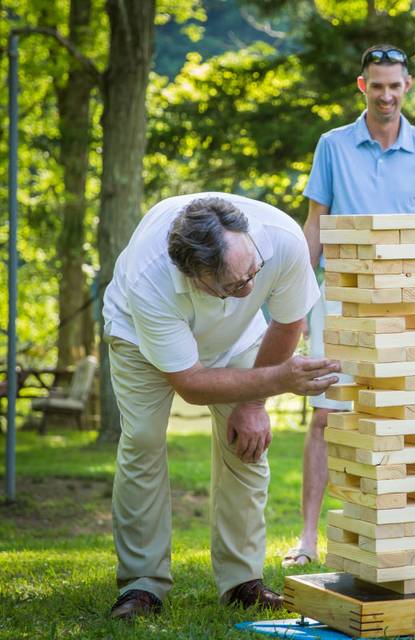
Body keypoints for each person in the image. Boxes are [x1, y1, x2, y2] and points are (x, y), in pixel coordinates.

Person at [101, 194, 340, 620]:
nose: (250, 288)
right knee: (142, 441)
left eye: (253, 273)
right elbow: (191, 383)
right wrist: (280, 379)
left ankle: (241, 581)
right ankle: (142, 583)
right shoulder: (149, 277)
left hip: (238, 337)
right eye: (234, 285)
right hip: (140, 338)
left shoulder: (281, 240)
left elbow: (288, 322)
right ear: (192, 275)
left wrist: (254, 402)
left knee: (247, 444)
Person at [283, 43, 415, 567]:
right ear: (363, 86)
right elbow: (315, 222)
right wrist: (300, 301)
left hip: (405, 309)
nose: (386, 95)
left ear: (406, 86)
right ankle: (307, 539)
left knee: (401, 416)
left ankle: (399, 530)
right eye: (377, 85)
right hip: (340, 299)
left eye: (395, 85)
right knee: (326, 416)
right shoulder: (333, 145)